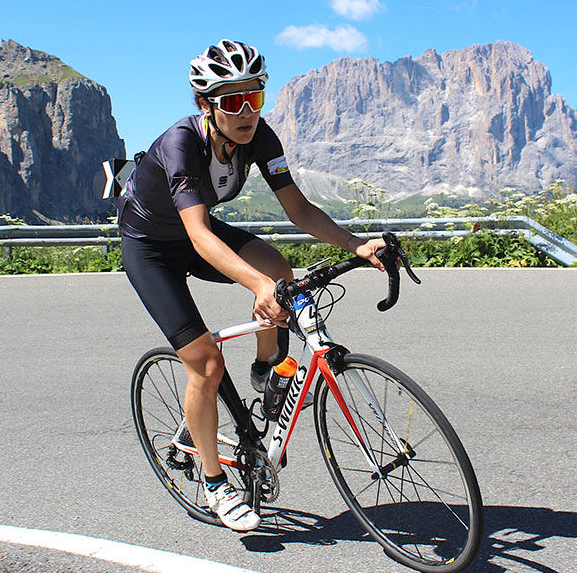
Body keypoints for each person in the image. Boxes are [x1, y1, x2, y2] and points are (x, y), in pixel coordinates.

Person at [118, 39, 386, 531]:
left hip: (198, 234)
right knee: (206, 362)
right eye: (233, 101)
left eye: (255, 98)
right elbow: (198, 234)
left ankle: (266, 371)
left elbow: (299, 209)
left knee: (281, 273)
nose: (246, 113)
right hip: (153, 247)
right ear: (206, 104)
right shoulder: (182, 143)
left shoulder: (262, 138)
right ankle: (216, 484)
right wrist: (257, 286)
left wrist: (355, 246)